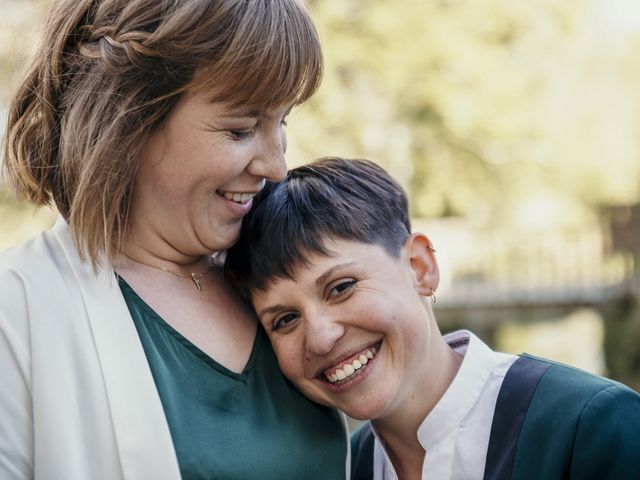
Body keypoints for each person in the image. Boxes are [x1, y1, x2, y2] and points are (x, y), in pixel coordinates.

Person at [0, 1, 349, 479]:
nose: (276, 166)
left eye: (282, 122)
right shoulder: (16, 311)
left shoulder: (282, 271)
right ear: (131, 116)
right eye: (241, 129)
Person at [224, 156, 640, 480]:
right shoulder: (343, 467)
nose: (320, 337)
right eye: (284, 320)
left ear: (420, 267)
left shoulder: (592, 427)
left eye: (341, 287)